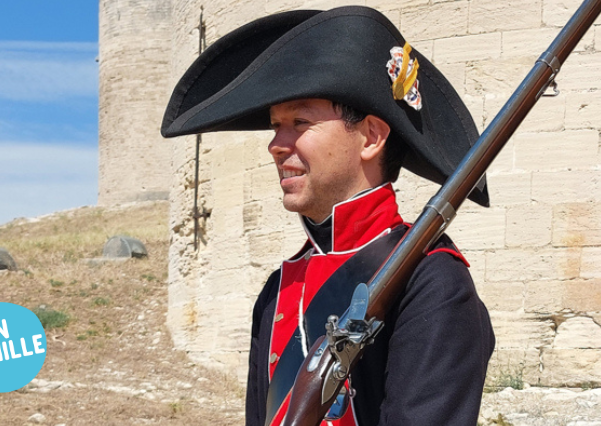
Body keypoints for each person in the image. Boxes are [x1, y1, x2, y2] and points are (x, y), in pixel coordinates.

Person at [161, 6, 495, 426]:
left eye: (300, 122)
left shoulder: (430, 281)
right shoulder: (277, 290)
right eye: (275, 126)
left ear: (371, 137)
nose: (277, 145)